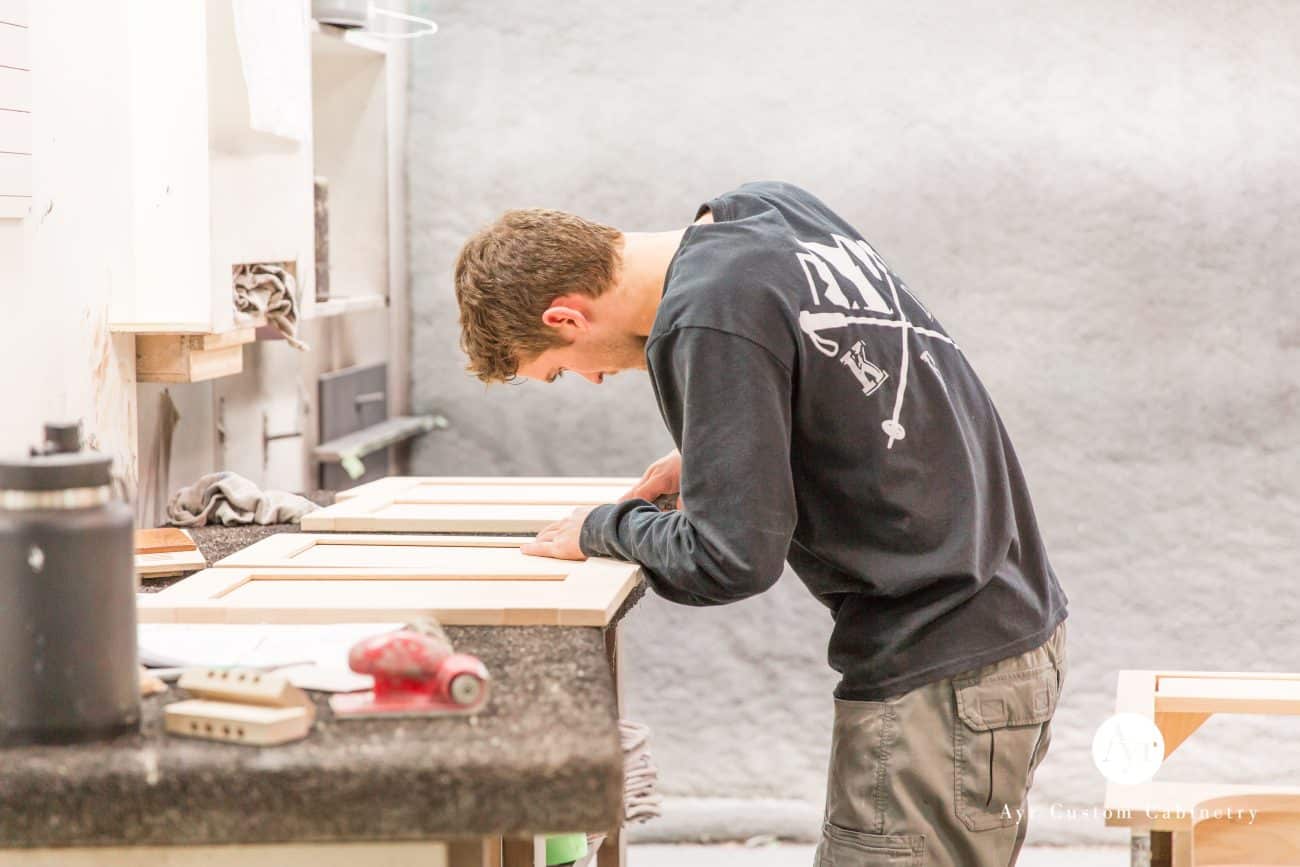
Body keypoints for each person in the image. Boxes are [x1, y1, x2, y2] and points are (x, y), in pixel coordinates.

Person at [454, 181, 1070, 866]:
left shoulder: (704, 316)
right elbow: (840, 369)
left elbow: (728, 557)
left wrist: (604, 528)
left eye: (561, 370)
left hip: (942, 669)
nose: (593, 379)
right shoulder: (769, 213)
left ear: (565, 317)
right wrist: (727, 444)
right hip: (1008, 621)